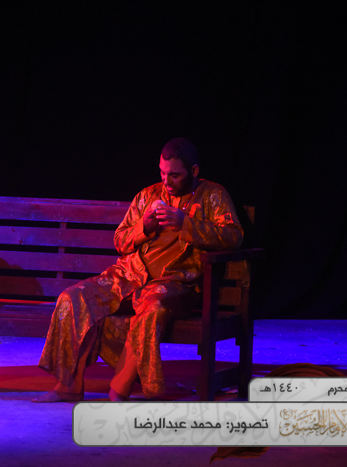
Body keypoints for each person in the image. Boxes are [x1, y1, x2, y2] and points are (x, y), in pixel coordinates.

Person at [34, 137, 243, 402]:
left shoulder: (213, 195)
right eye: (162, 173)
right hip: (129, 276)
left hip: (175, 283)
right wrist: (144, 227)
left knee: (151, 308)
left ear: (194, 171)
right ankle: (68, 386)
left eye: (174, 175)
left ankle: (119, 390)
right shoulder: (148, 195)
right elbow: (120, 241)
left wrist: (185, 223)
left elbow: (233, 236)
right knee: (72, 297)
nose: (166, 181)